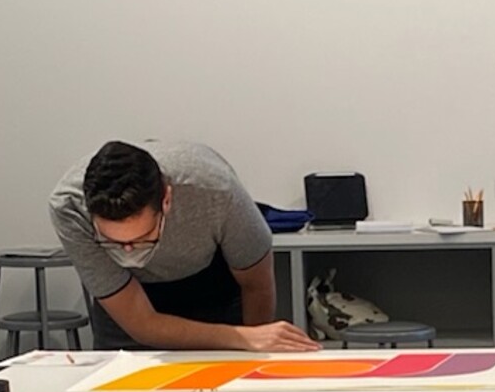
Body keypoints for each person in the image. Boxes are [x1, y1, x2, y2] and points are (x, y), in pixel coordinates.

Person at [49, 141, 316, 354]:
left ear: (166, 200)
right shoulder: (69, 208)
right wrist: (243, 338)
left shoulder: (215, 191)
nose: (128, 251)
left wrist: (253, 343)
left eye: (143, 238)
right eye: (113, 243)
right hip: (130, 302)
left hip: (213, 287)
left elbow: (256, 284)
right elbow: (141, 323)